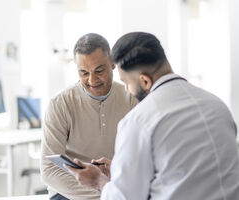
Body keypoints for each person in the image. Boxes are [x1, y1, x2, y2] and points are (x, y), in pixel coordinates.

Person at [66, 32, 239, 199]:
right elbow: (189, 172)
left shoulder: (139, 120)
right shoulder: (217, 105)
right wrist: (122, 170)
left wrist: (98, 181)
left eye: (126, 82)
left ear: (145, 81)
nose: (126, 89)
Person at [40, 33, 137, 200]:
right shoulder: (59, 104)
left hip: (115, 188)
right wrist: (101, 193)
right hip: (70, 194)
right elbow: (49, 170)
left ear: (112, 63)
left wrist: (110, 189)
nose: (92, 80)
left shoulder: (132, 99)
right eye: (84, 73)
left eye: (99, 70)